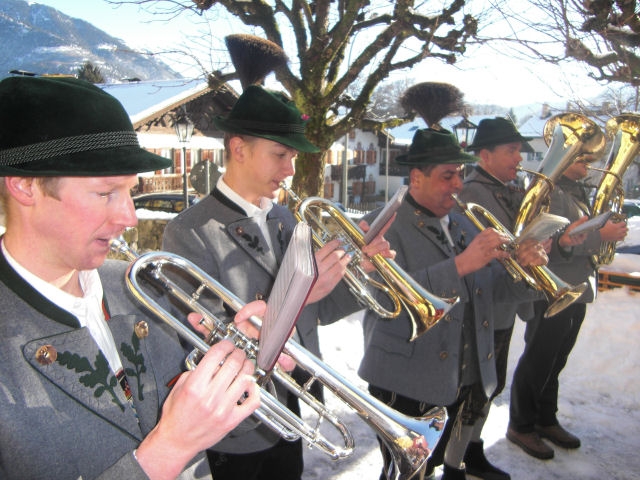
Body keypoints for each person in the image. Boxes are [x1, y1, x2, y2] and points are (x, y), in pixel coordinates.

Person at [0, 75, 263, 480]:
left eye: (130, 191)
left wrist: (236, 365)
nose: (129, 217)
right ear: (24, 186)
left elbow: (218, 427)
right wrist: (167, 450)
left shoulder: (138, 287)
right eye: (106, 193)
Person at [162, 84, 393, 480]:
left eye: (293, 157)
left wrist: (355, 272)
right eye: (280, 155)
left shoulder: (284, 219)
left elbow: (315, 312)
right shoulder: (189, 232)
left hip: (290, 405)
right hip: (236, 423)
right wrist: (298, 295)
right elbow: (202, 345)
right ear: (238, 149)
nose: (290, 169)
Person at [357, 127, 548, 480]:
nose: (459, 184)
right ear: (417, 177)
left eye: (460, 173)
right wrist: (461, 265)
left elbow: (492, 290)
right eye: (448, 176)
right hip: (406, 380)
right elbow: (384, 300)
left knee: (439, 464)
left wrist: (527, 270)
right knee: (407, 474)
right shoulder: (383, 226)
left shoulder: (462, 223)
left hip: (461, 375)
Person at [507, 155, 628, 460]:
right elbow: (548, 239)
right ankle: (521, 424)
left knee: (556, 360)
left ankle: (545, 418)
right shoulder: (548, 189)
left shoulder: (576, 189)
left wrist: (603, 230)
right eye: (583, 157)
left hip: (576, 287)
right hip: (553, 288)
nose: (591, 161)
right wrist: (600, 235)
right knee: (538, 358)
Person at [453, 117, 535, 480]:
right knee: (474, 388)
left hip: (504, 303)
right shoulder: (473, 193)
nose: (519, 158)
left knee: (491, 384)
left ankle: (472, 451)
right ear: (485, 155)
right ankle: (455, 461)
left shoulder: (508, 189)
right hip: (482, 305)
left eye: (519, 150)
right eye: (511, 150)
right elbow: (481, 253)